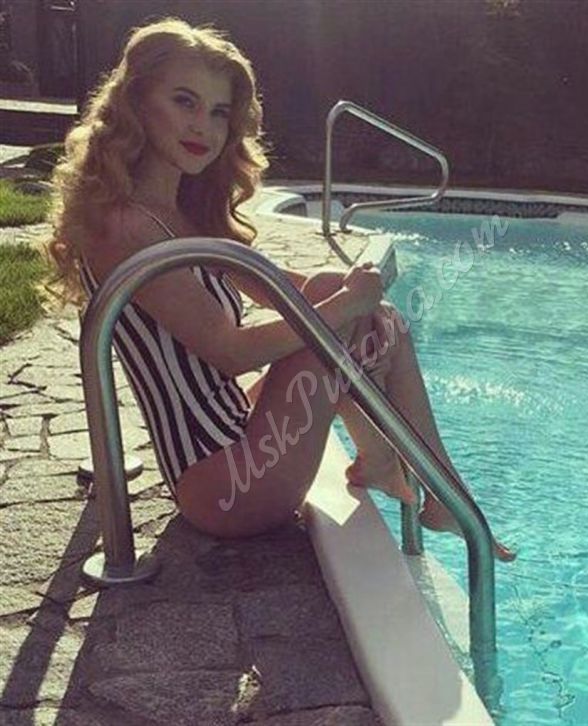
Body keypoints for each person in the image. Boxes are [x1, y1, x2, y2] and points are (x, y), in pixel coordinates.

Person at [44, 17, 514, 561]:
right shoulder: (128, 226)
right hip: (227, 485)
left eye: (219, 112)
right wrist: (350, 304)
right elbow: (229, 353)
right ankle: (436, 489)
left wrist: (350, 290)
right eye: (184, 101)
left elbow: (283, 289)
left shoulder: (180, 213)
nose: (204, 126)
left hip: (239, 438)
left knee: (341, 297)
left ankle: (386, 464)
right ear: (136, 101)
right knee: (345, 320)